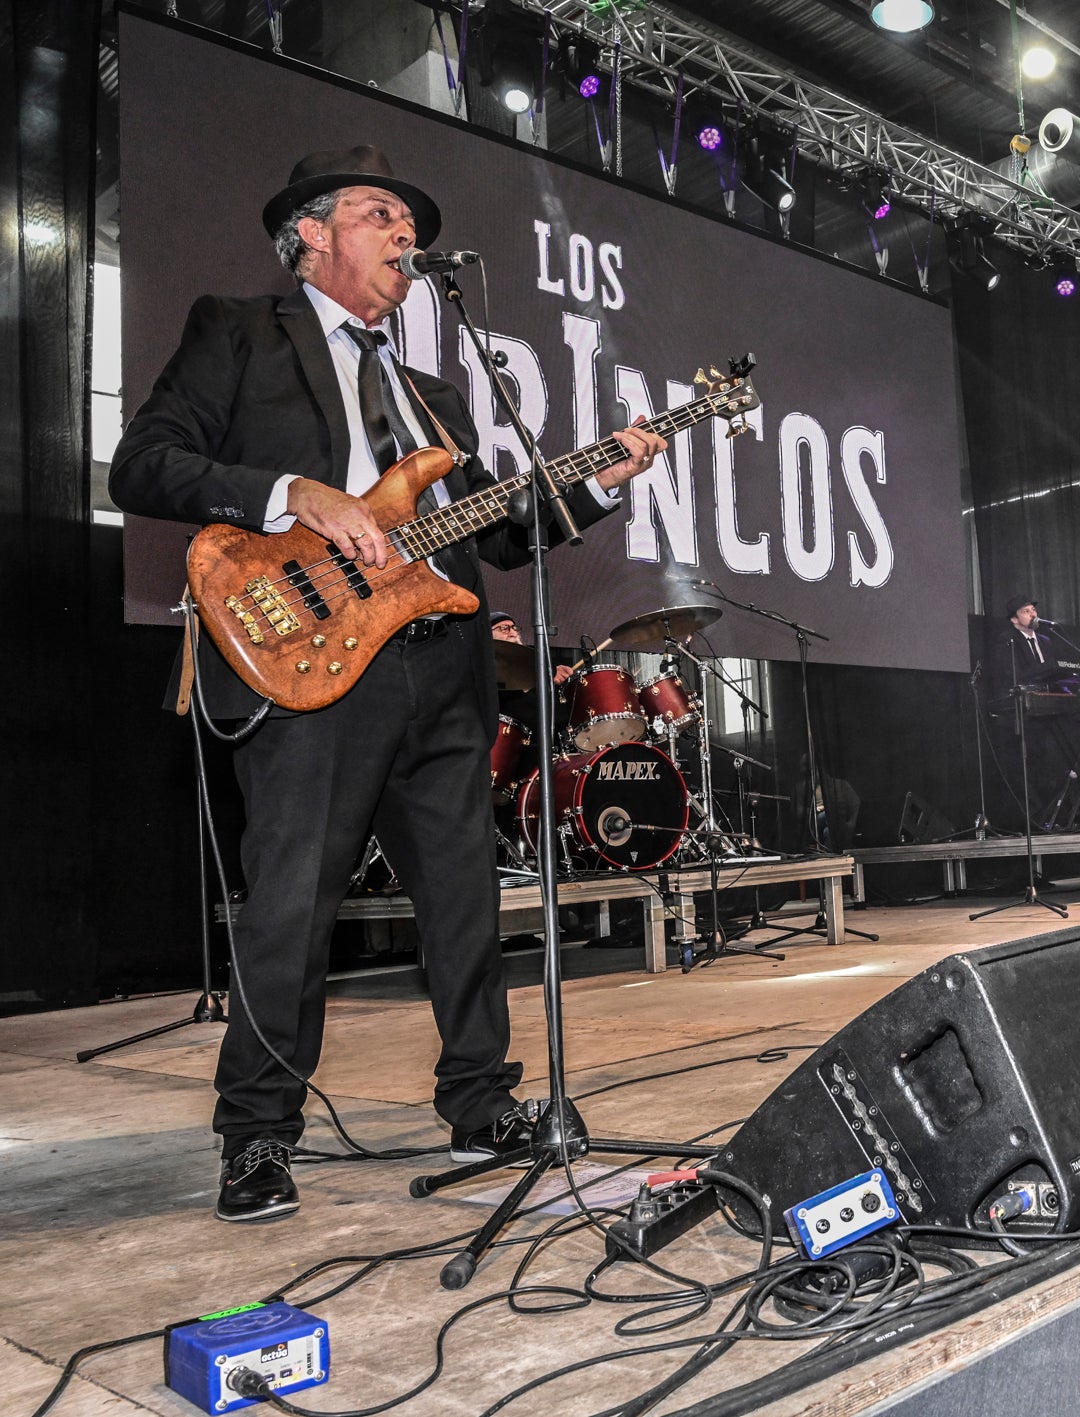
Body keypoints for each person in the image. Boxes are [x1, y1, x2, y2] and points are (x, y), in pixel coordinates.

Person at [109, 146, 666, 1223]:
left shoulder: (435, 390)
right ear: (310, 233)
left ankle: (481, 1103)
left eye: (411, 220)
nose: (405, 234)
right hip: (312, 662)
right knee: (291, 905)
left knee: (463, 898)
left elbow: (498, 532)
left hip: (441, 672)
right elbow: (144, 463)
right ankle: (259, 1134)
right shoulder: (239, 330)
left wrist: (596, 478)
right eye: (379, 213)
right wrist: (292, 495)